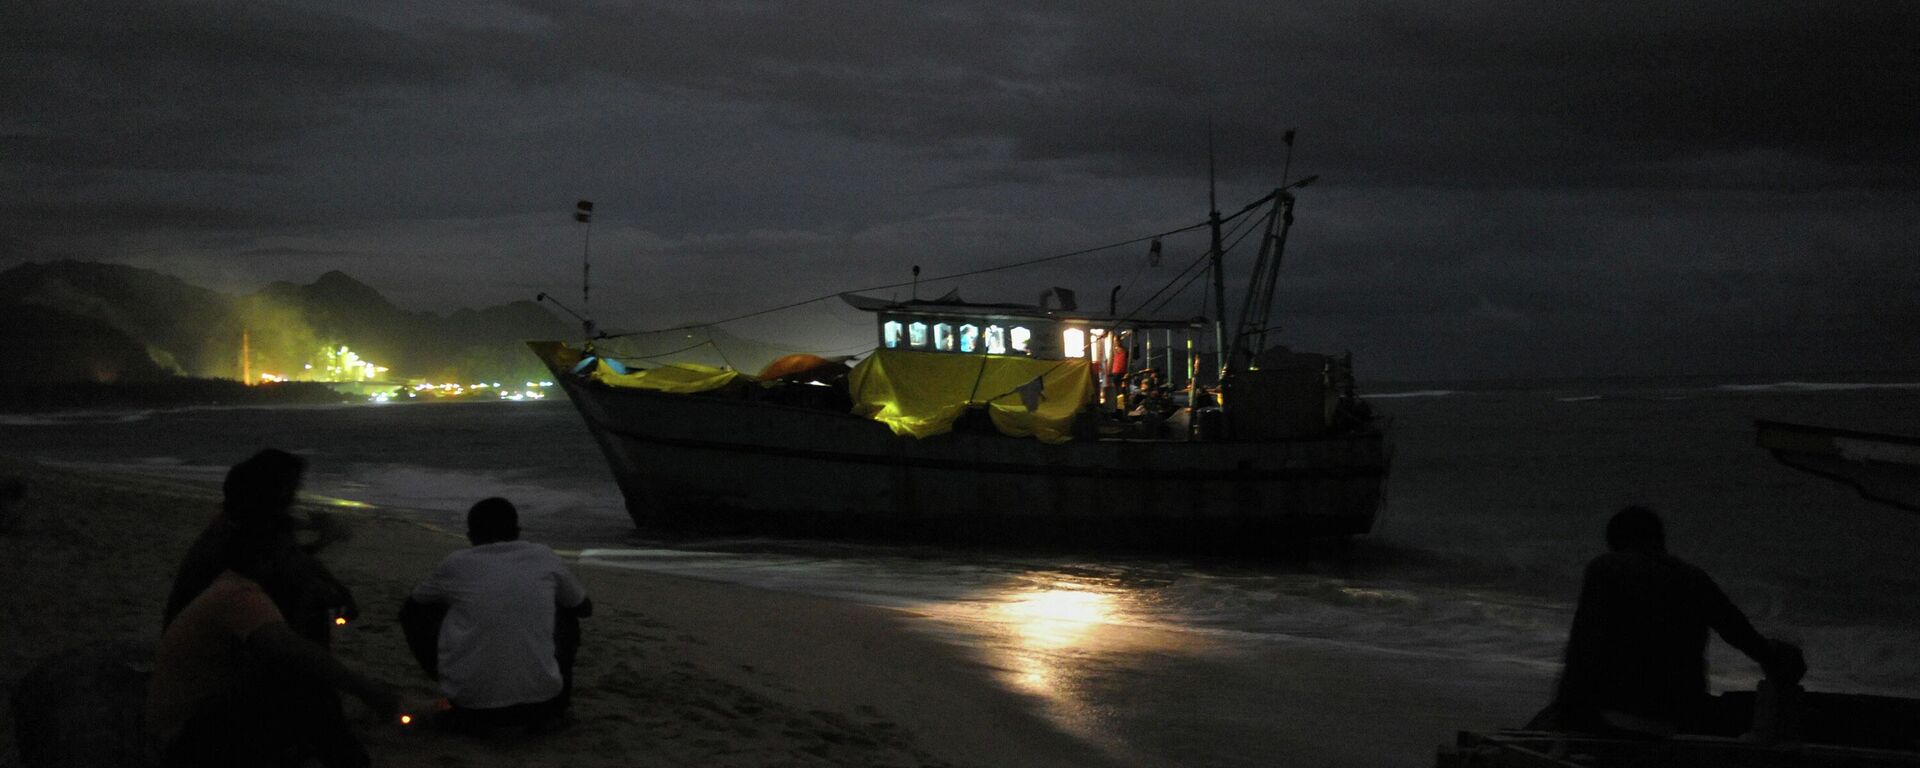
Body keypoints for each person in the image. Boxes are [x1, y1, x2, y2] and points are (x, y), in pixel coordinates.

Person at [145, 493, 398, 767]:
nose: (300, 561)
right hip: (184, 737)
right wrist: (368, 690)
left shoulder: (237, 585)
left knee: (300, 684)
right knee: (307, 685)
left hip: (196, 723)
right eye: (290, 553)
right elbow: (292, 650)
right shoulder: (239, 596)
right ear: (269, 556)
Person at [1544, 505, 1805, 736]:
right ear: (1660, 540)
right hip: (1682, 711)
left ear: (1614, 542)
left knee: (1548, 722)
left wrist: (1565, 710)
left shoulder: (1606, 568)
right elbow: (1738, 632)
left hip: (1619, 708)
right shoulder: (1693, 577)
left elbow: (1584, 646)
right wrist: (1774, 660)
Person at [403, 497, 591, 731]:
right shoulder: (543, 556)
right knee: (566, 612)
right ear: (518, 532)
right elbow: (584, 607)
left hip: (470, 707)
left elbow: (413, 604)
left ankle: (448, 677)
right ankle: (561, 703)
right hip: (544, 707)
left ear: (471, 536)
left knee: (425, 609)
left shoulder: (456, 564)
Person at [164, 449, 357, 645]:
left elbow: (294, 556)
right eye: (290, 489)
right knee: (312, 604)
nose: (294, 498)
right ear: (270, 491)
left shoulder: (244, 521)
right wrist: (325, 542)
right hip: (209, 642)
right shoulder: (237, 538)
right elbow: (283, 563)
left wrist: (337, 585)